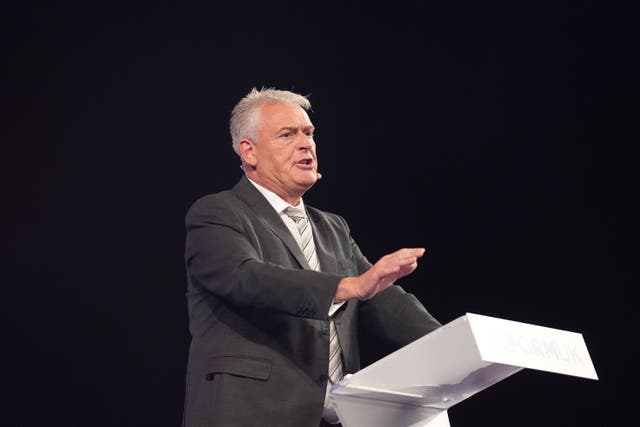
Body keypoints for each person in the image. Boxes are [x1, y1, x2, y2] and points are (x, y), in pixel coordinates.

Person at [182, 87, 442, 427]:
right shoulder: (217, 213)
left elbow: (380, 299)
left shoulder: (333, 228)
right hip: (250, 413)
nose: (306, 144)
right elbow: (247, 278)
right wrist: (347, 287)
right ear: (249, 152)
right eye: (287, 134)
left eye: (309, 133)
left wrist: (461, 343)